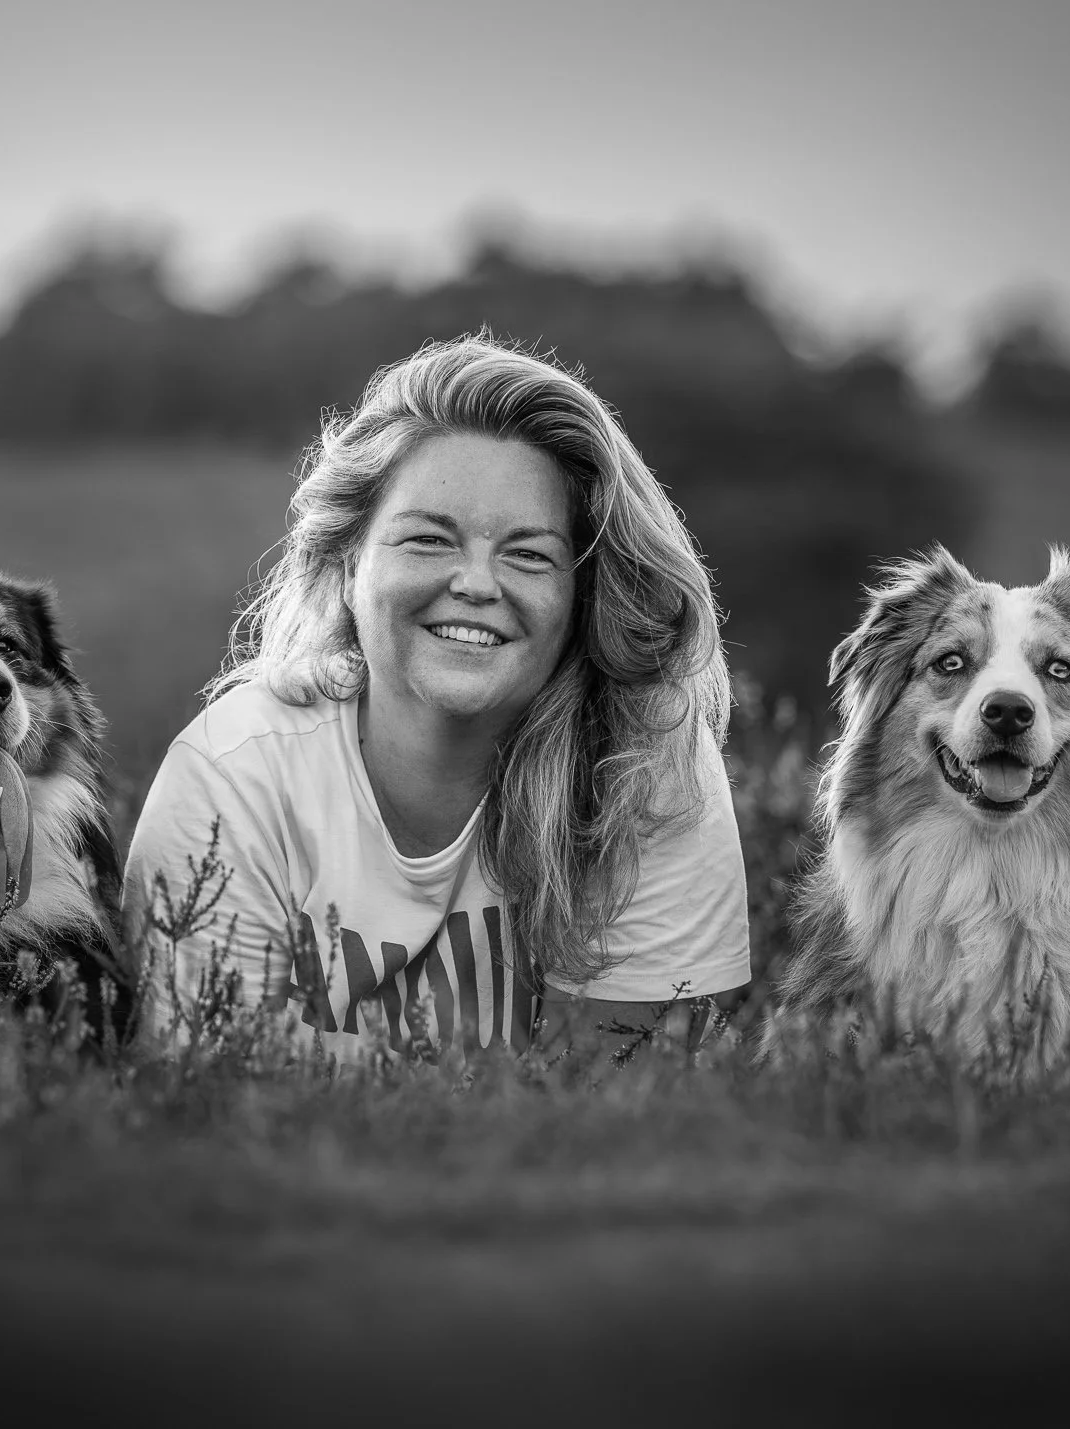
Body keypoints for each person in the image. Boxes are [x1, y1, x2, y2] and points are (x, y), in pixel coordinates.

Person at [123, 335, 750, 1059]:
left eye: (529, 554)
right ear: (347, 562)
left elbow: (620, 1096)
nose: (477, 584)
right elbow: (215, 1092)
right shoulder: (233, 775)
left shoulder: (643, 762)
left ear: (581, 595)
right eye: (427, 540)